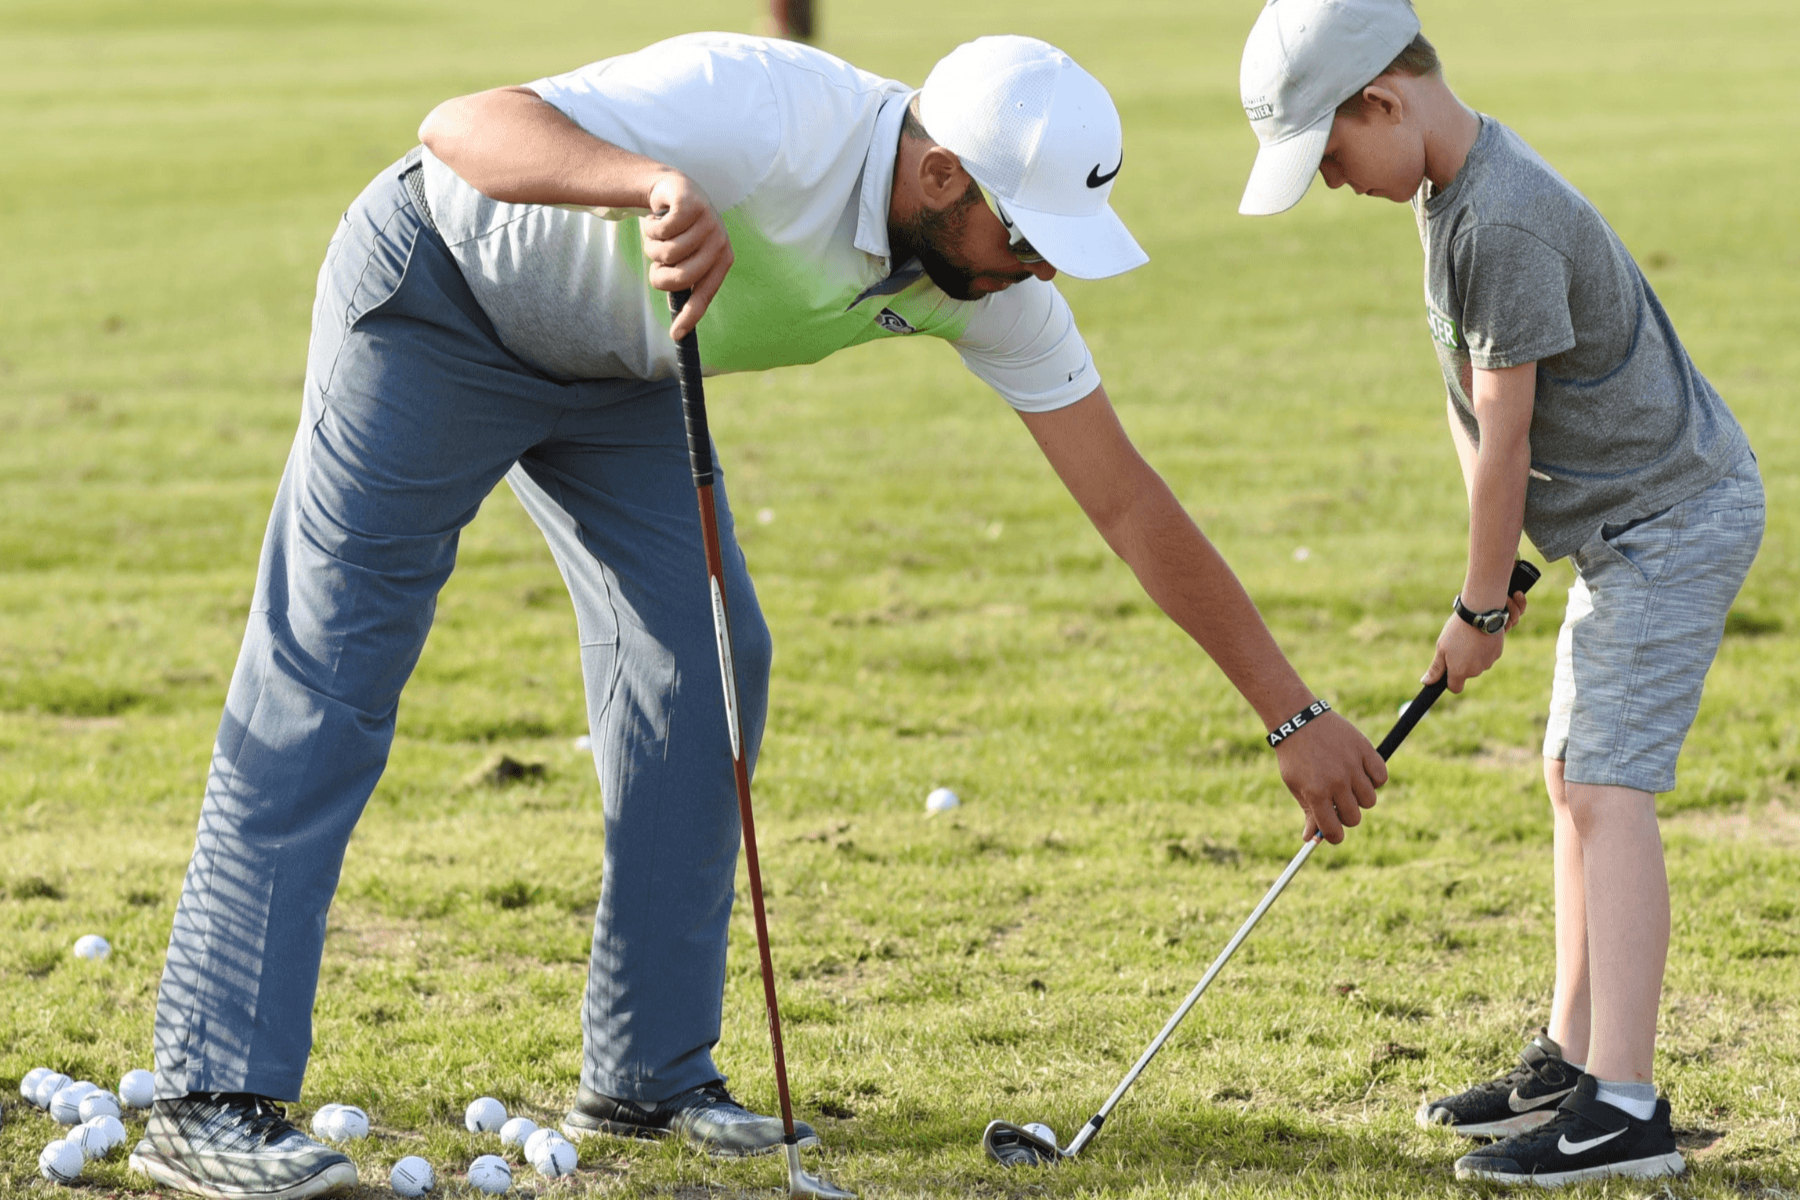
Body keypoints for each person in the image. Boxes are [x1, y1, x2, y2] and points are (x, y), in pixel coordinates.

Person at [130, 31, 1390, 1200]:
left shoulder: (989, 282)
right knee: (334, 671)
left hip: (622, 369)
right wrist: (646, 187)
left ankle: (647, 1075)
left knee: (710, 659)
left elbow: (1125, 500)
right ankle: (204, 1095)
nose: (1043, 264)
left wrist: (1294, 713)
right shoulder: (765, 114)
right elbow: (461, 125)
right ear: (941, 174)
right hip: (442, 299)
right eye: (1028, 232)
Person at [1236, 0, 1762, 1187]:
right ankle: (1575, 1060)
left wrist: (1478, 609)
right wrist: (1502, 568)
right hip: (1622, 526)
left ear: (1384, 101)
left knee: (1611, 784)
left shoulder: (1503, 223)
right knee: (1572, 772)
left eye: (1328, 154)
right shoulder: (1447, 196)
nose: (1330, 182)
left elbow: (1510, 436)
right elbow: (1480, 421)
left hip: (1671, 522)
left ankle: (1625, 1107)